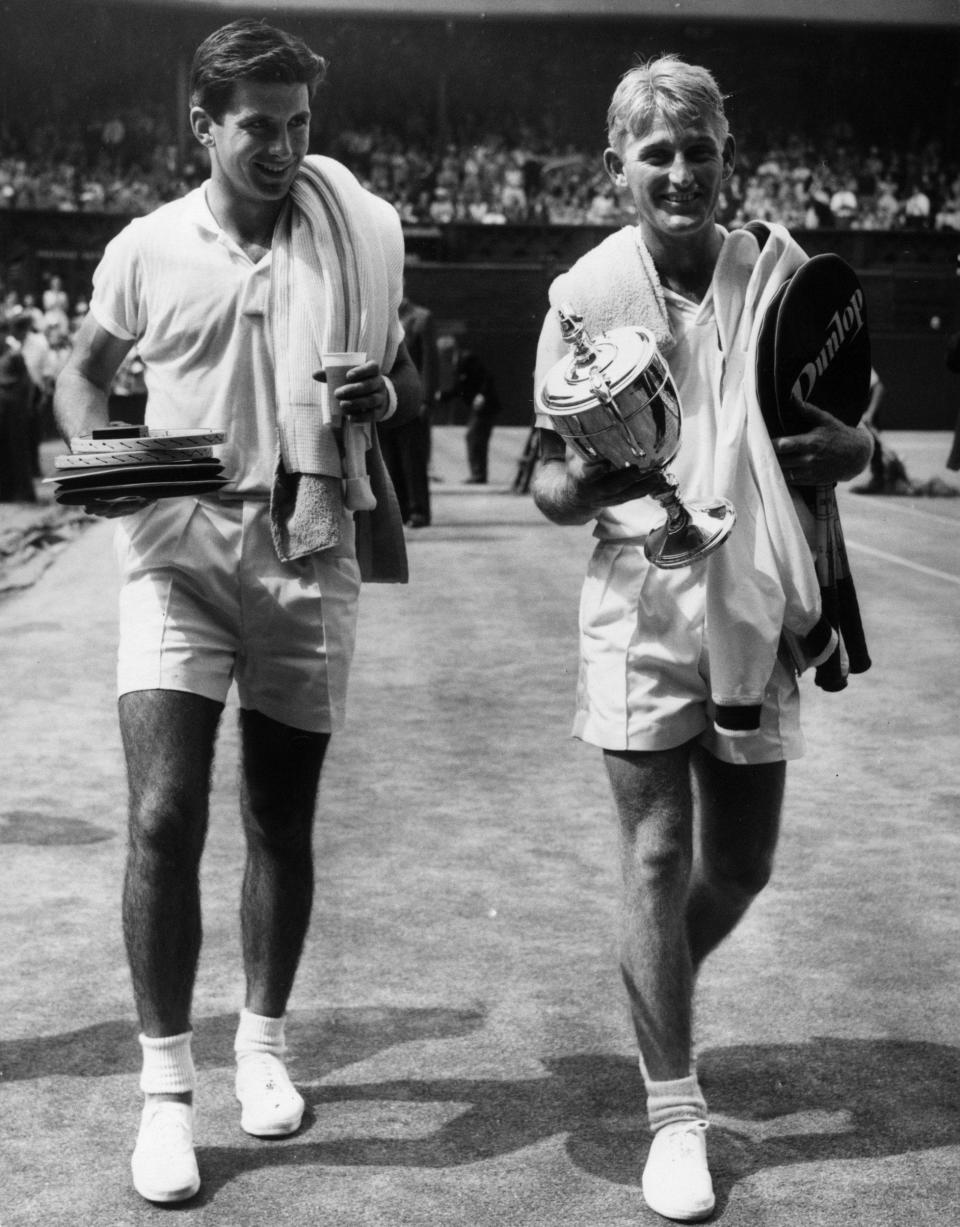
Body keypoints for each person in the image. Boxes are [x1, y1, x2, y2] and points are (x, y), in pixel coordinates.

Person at [54, 19, 420, 1206]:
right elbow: (82, 373)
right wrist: (112, 466)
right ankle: (165, 1093)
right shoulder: (147, 246)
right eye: (258, 126)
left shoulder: (358, 230)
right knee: (163, 815)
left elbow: (395, 378)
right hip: (178, 562)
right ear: (202, 126)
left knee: (279, 818)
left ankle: (262, 1045)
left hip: (307, 555)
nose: (283, 148)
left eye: (299, 125)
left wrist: (378, 387)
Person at [530, 57, 872, 1223]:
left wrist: (854, 453)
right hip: (637, 602)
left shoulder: (779, 272)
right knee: (658, 856)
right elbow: (548, 491)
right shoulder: (584, 290)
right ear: (616, 168)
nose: (680, 171)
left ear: (729, 159)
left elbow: (844, 427)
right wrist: (584, 469)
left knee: (741, 866)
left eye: (699, 150)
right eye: (656, 153)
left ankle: (652, 980)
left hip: (756, 601)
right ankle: (676, 1114)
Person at [380, 295, 437, 526]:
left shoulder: (421, 317)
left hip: (412, 401)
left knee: (413, 458)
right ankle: (399, 510)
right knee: (389, 457)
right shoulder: (380, 317)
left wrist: (425, 400)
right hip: (385, 399)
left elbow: (430, 362)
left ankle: (418, 510)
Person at [459, 348, 502, 484]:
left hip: (484, 412)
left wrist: (481, 395)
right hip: (483, 411)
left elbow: (485, 384)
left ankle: (478, 474)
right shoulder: (478, 371)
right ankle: (478, 473)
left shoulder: (477, 372)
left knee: (476, 440)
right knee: (475, 439)